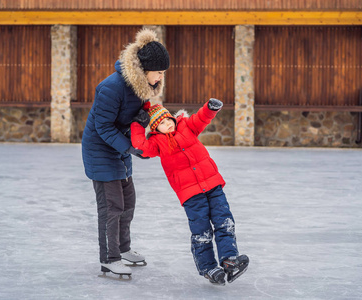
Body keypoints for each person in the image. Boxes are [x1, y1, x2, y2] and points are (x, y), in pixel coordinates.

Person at [130, 99, 249, 285]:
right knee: (201, 231)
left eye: (168, 119)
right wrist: (137, 124)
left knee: (224, 221)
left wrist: (210, 109)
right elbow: (140, 147)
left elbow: (200, 119)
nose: (168, 123)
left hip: (213, 185)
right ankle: (208, 268)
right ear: (154, 129)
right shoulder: (156, 143)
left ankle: (229, 259)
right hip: (191, 194)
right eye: (161, 123)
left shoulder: (187, 127)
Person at [81, 28, 170, 276]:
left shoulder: (142, 88)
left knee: (128, 202)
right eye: (159, 73)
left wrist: (154, 122)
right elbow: (104, 127)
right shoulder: (111, 87)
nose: (161, 78)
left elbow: (133, 120)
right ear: (144, 70)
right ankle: (109, 258)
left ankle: (122, 249)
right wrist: (132, 148)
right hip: (100, 149)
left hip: (120, 147)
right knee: (112, 207)